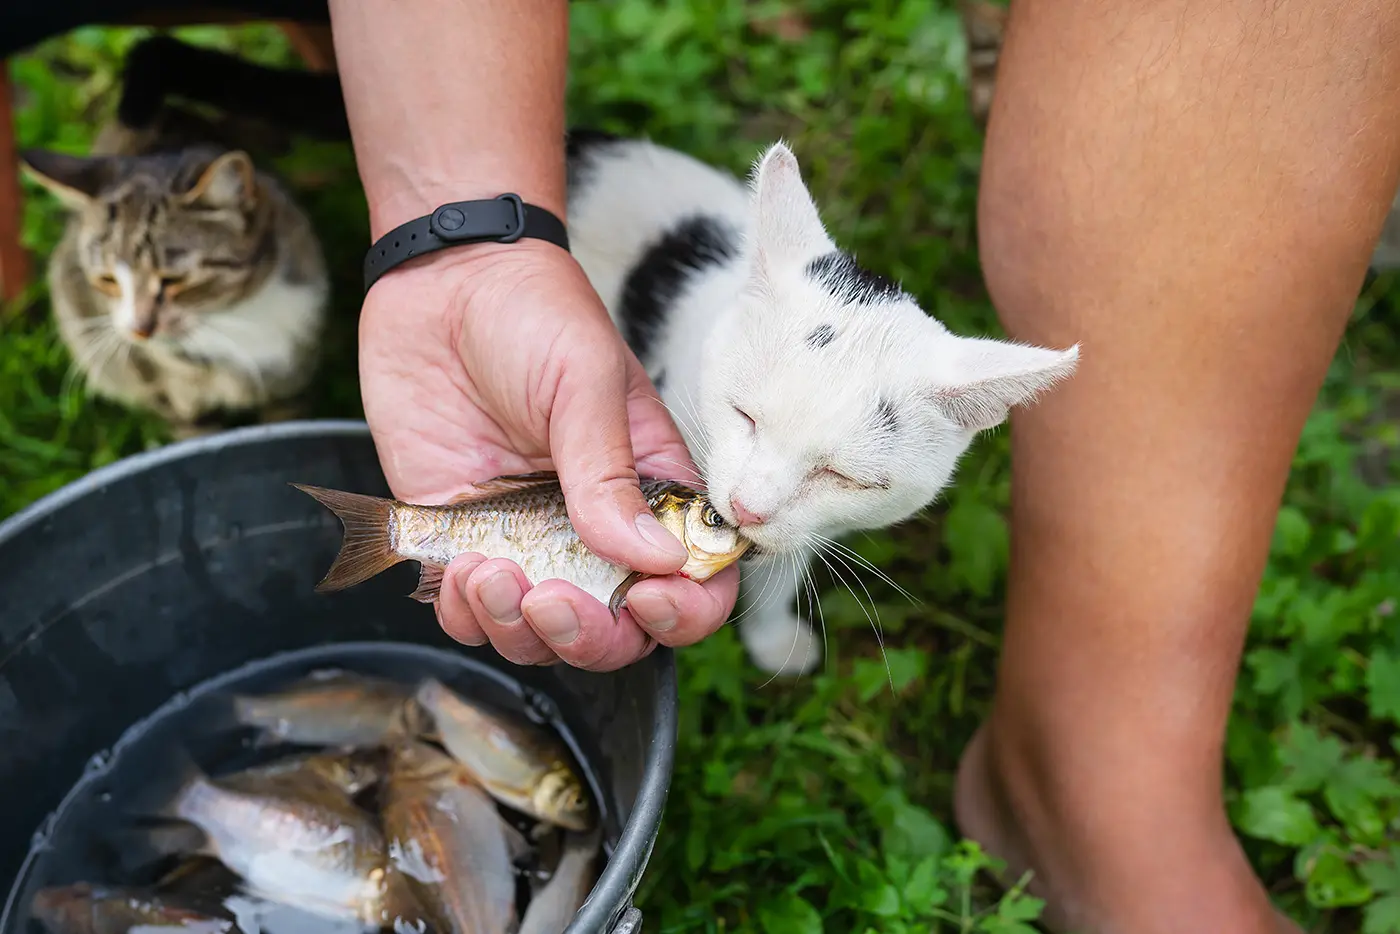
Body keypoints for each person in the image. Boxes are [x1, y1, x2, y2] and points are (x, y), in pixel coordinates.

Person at [326, 2, 1400, 932]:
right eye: (740, 420)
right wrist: (473, 261)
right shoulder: (741, 323)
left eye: (838, 478)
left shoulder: (922, 408)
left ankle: (1081, 788)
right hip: (604, 238)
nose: (746, 495)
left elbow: (764, 493)